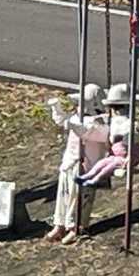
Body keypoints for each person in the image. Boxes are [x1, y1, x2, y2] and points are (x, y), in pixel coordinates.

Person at [45, 83, 109, 245]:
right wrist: (56, 108)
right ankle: (60, 224)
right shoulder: (77, 117)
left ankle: (76, 228)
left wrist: (75, 124)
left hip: (86, 166)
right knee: (63, 195)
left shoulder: (102, 123)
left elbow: (88, 132)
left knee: (79, 199)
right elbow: (64, 121)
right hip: (69, 162)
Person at [75, 84, 139, 187]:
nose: (115, 111)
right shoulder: (114, 121)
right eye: (113, 107)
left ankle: (94, 180)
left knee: (108, 167)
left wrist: (128, 158)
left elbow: (133, 141)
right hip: (115, 155)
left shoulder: (129, 124)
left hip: (125, 157)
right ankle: (87, 176)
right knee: (101, 163)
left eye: (118, 107)